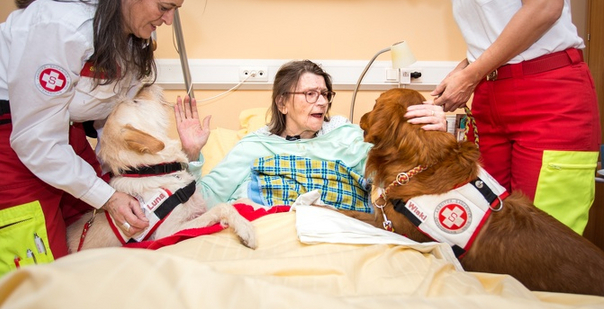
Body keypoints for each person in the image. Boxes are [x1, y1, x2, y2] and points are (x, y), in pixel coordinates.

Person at [0, 0, 195, 294]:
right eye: (164, 6)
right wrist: (107, 195)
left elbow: (104, 112)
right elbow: (35, 139)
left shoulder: (129, 38)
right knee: (41, 280)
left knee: (96, 240)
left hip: (62, 134)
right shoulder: (59, 26)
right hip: (0, 136)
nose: (168, 20)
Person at [378, 0, 601, 233]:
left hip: (547, 96)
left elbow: (545, 5)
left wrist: (472, 73)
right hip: (491, 101)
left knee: (547, 238)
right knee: (489, 231)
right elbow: (497, 38)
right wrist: (462, 70)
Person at [175, 60, 446, 212]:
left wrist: (430, 133)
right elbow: (204, 200)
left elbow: (398, 176)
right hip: (274, 234)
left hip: (343, 233)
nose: (322, 102)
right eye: (310, 94)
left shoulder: (347, 137)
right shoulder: (252, 147)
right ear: (282, 103)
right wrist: (190, 155)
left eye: (325, 94)